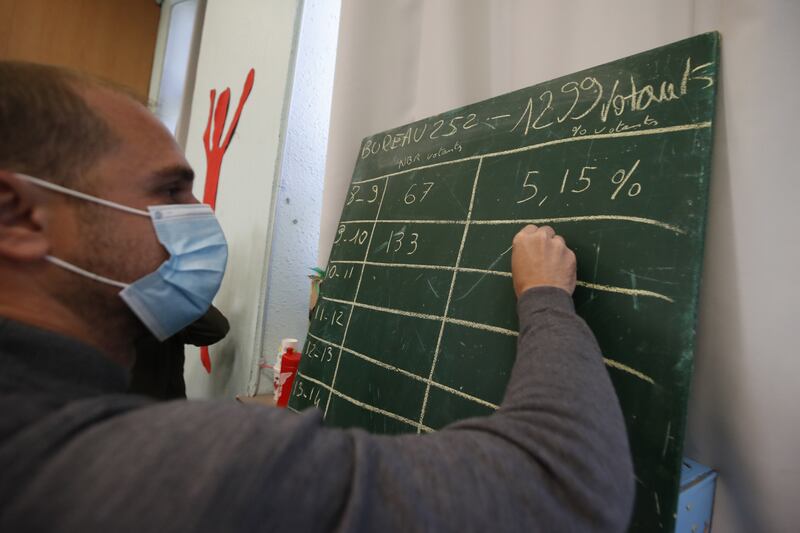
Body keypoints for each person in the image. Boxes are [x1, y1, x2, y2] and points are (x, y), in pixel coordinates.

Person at [0, 61, 634, 532]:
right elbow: (566, 486)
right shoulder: (138, 472)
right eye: (169, 192)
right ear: (19, 217)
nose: (199, 216)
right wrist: (547, 295)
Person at [129, 306, 230, 399]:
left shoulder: (160, 305)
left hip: (167, 409)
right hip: (123, 408)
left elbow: (214, 329)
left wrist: (170, 292)